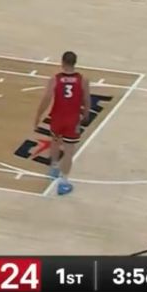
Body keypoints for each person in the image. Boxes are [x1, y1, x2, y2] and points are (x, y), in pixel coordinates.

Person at [32, 51, 90, 196]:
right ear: (75, 63)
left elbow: (46, 99)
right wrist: (86, 115)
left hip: (57, 118)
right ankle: (63, 183)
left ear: (62, 62)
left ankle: (53, 168)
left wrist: (38, 116)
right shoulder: (83, 80)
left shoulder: (55, 79)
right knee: (69, 152)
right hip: (72, 120)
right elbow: (87, 100)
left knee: (55, 142)